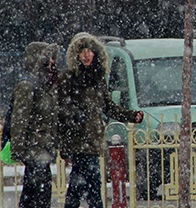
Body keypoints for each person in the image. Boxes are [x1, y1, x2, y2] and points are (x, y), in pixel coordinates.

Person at [58, 32, 144, 208]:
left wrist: (130, 115)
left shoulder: (98, 79)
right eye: (82, 51)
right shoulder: (69, 78)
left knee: (82, 186)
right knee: (88, 185)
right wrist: (75, 116)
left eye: (89, 50)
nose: (86, 54)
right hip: (77, 140)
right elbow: (61, 109)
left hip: (93, 140)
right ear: (76, 54)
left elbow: (107, 106)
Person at [10, 41, 60, 208]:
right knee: (39, 194)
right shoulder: (28, 86)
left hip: (42, 150)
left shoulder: (46, 87)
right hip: (34, 150)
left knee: (34, 195)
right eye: (49, 58)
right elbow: (19, 120)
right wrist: (18, 149)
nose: (52, 62)